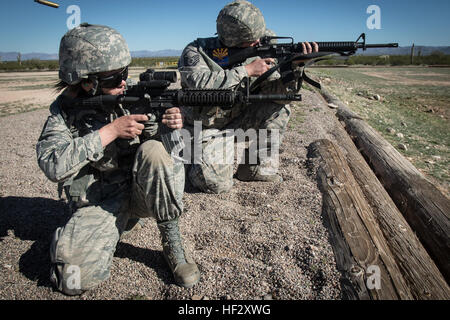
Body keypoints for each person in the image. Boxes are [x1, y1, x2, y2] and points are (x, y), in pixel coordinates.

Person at [36, 23, 200, 295]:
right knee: (71, 280)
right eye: (113, 78)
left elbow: (177, 156)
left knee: (155, 152)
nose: (123, 82)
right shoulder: (63, 113)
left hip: (140, 194)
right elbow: (52, 164)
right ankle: (72, 238)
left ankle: (172, 244)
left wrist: (169, 128)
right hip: (98, 201)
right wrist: (110, 131)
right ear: (86, 81)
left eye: (124, 73)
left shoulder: (134, 95)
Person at [178, 0, 318, 194]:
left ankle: (254, 169)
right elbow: (199, 83)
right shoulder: (196, 51)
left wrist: (295, 67)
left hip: (238, 118)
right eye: (251, 40)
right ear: (231, 38)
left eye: (258, 38)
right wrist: (246, 70)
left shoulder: (264, 45)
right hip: (204, 127)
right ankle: (190, 161)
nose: (257, 43)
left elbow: (280, 94)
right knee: (214, 184)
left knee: (278, 109)